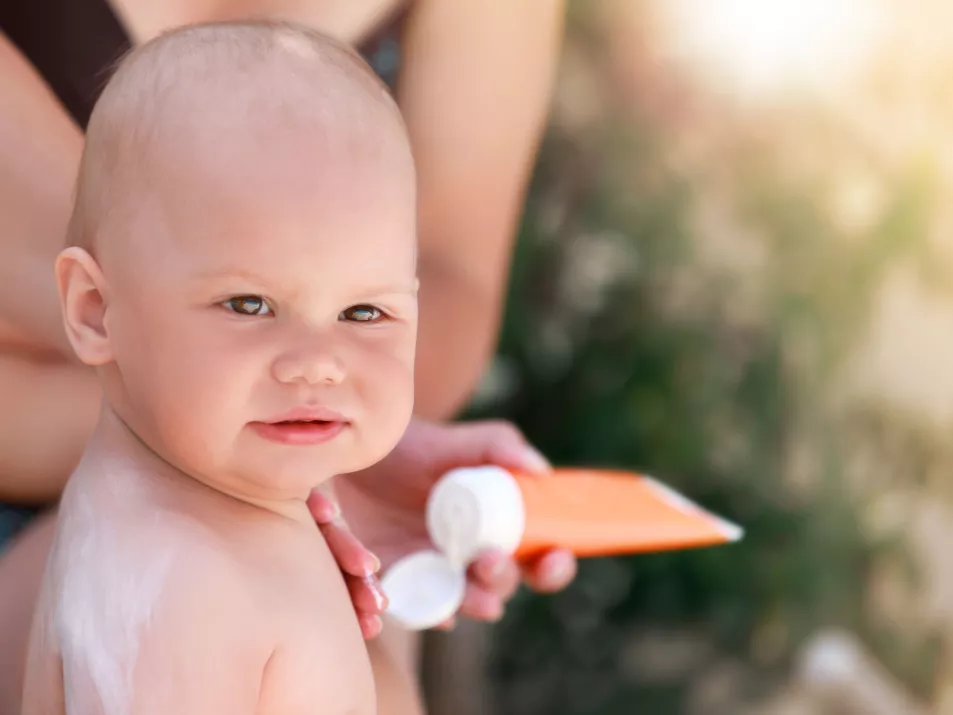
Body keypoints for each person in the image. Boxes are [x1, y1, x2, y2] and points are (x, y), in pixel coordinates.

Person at [0, 1, 571, 713]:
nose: (318, 364)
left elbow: (459, 271)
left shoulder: (189, 527)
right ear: (92, 308)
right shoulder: (178, 590)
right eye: (248, 304)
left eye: (365, 311)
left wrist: (316, 460)